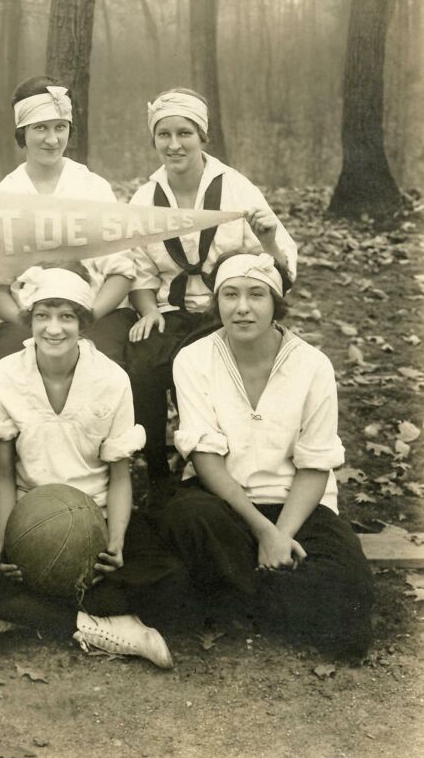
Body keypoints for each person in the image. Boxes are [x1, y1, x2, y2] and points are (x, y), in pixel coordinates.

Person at [0, 265, 186, 668]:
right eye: (42, 315)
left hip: (95, 514)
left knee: (173, 577)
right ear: (29, 320)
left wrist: (115, 542)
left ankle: (19, 614)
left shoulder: (112, 378)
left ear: (83, 323)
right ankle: (105, 623)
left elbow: (120, 475)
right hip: (27, 514)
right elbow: (4, 472)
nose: (54, 328)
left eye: (66, 316)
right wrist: (4, 541)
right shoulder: (3, 376)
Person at [160, 252, 373, 657]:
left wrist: (281, 535)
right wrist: (263, 532)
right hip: (224, 505)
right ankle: (283, 597)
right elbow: (205, 458)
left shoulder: (313, 365)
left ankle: (238, 598)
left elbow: (315, 465)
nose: (242, 307)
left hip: (299, 508)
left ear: (276, 303)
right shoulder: (194, 359)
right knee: (187, 518)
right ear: (216, 302)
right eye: (230, 295)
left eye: (256, 294)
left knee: (351, 594)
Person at [126, 88, 298, 491]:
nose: (174, 144)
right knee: (142, 363)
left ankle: (215, 463)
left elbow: (279, 272)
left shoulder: (236, 189)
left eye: (184, 133)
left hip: (226, 310)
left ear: (203, 137)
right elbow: (139, 270)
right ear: (153, 140)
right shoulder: (145, 198)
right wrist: (148, 309)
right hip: (171, 310)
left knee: (206, 366)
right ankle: (156, 470)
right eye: (164, 135)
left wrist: (268, 240)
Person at [0, 76, 136, 367]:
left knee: (100, 367)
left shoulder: (93, 188)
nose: (52, 139)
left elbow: (121, 271)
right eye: (40, 128)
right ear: (22, 132)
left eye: (60, 127)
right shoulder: (3, 195)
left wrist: (86, 317)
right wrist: (28, 322)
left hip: (95, 314)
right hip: (26, 318)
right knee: (9, 365)